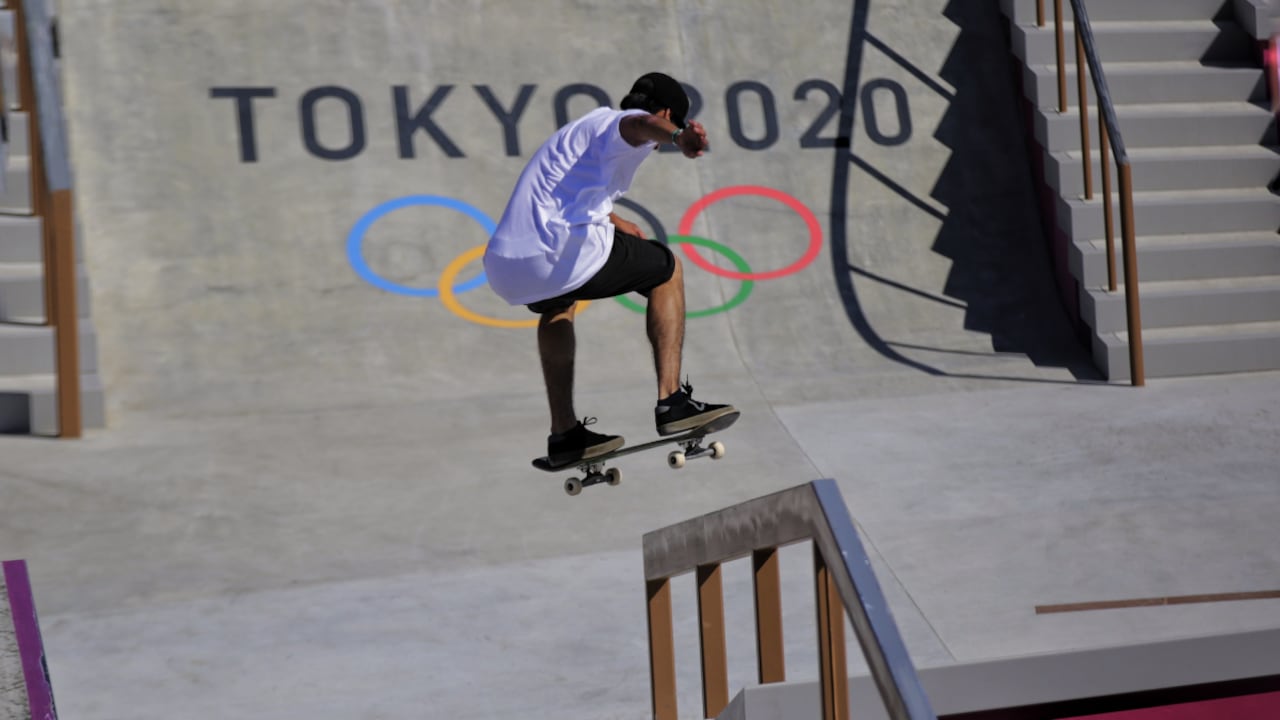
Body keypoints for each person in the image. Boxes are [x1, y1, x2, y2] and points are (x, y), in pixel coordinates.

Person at [483, 72, 736, 467]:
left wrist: (614, 220)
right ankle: (672, 403)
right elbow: (639, 124)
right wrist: (678, 138)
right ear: (669, 113)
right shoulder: (628, 124)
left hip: (508, 264)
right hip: (559, 250)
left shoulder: (585, 128)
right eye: (672, 123)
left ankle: (564, 432)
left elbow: (571, 190)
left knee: (557, 303)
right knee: (666, 270)